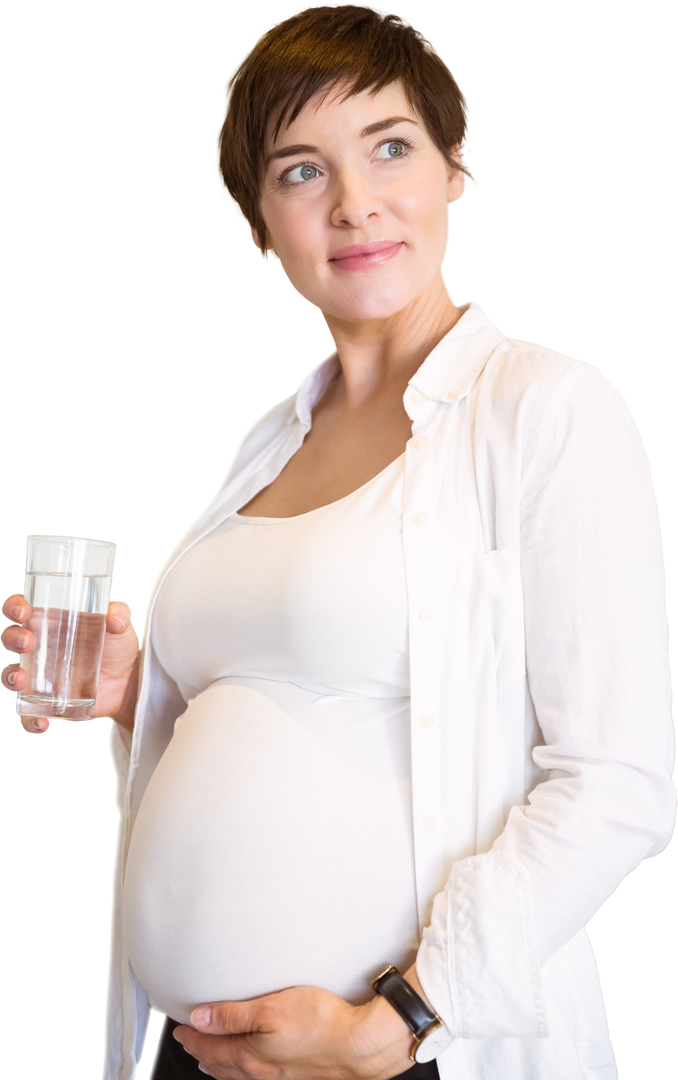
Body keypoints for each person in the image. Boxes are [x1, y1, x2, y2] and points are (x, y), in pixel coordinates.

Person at [2, 4, 675, 1079]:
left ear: (457, 167)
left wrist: (402, 1017)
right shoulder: (269, 438)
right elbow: (282, 698)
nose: (356, 204)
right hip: (186, 1053)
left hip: (409, 1057)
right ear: (260, 227)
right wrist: (143, 692)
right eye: (302, 171)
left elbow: (617, 783)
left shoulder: (547, 408)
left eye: (392, 149)